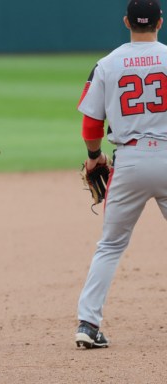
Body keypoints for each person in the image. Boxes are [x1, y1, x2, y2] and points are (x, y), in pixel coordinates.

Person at [76, 0, 167, 349]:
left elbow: (91, 122)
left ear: (126, 21)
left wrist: (94, 156)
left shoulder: (108, 63)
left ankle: (87, 324)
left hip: (129, 161)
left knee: (111, 246)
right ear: (160, 21)